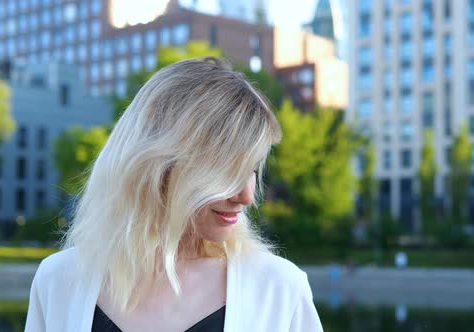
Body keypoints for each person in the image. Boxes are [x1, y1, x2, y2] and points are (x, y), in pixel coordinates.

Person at [24, 57, 323, 332]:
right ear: (158, 163)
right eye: (226, 169)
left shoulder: (279, 290)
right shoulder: (57, 281)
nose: (247, 195)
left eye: (252, 168)